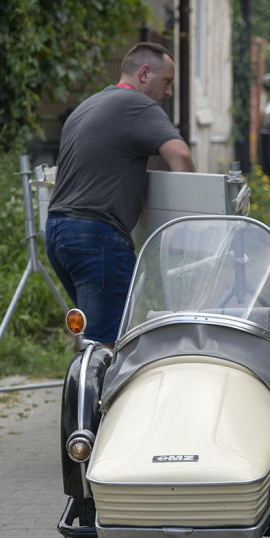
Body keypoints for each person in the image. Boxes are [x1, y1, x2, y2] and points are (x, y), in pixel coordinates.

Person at [46, 42, 195, 346]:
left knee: (93, 337)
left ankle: (86, 390)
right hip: (97, 238)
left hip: (57, 231)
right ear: (144, 74)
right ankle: (97, 394)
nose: (168, 93)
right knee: (110, 344)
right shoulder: (138, 105)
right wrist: (187, 224)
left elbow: (68, 173)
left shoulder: (87, 106)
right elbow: (180, 155)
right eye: (167, 82)